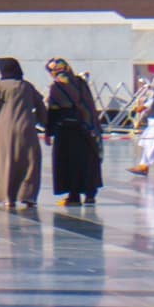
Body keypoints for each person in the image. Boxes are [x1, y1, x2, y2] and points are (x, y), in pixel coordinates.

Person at [0, 57, 44, 214]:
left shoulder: (0, 86)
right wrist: (45, 124)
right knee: (30, 162)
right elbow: (40, 105)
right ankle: (28, 195)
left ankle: (8, 197)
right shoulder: (26, 86)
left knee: (6, 162)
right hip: (26, 128)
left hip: (4, 130)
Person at [42, 58, 105, 207]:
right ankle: (90, 194)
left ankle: (74, 196)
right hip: (86, 128)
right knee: (88, 161)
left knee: (70, 163)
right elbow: (89, 104)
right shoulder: (80, 82)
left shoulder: (57, 86)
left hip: (66, 130)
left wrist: (48, 131)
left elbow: (54, 110)